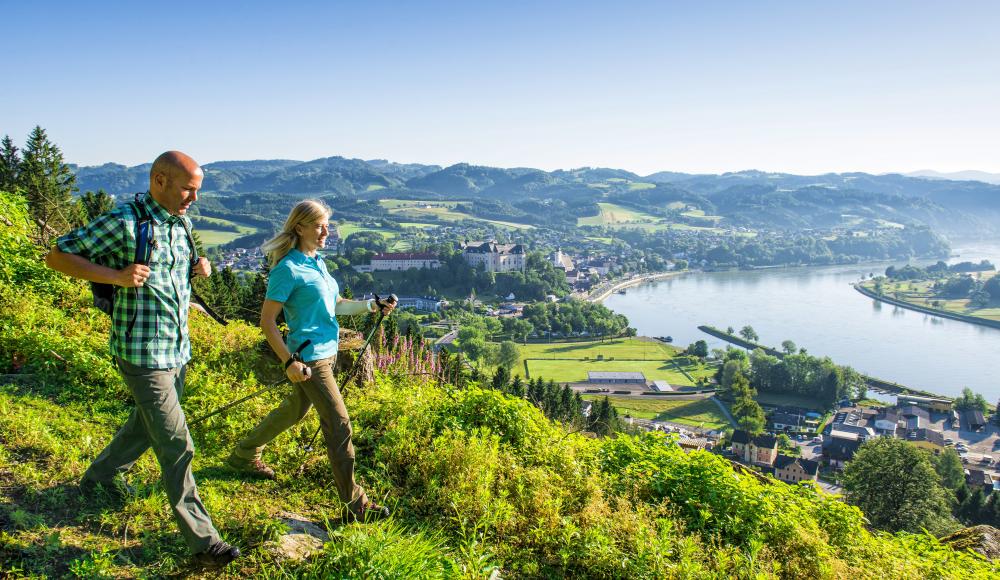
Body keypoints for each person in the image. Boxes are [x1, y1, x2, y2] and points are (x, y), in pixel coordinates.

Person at [45, 151, 240, 568]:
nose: (193, 198)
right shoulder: (124, 221)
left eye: (197, 190)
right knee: (176, 442)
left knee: (143, 425)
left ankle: (97, 478)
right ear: (160, 180)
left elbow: (168, 279)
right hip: (140, 352)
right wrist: (114, 276)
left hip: (177, 349)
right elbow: (58, 255)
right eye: (188, 189)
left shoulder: (180, 224)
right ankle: (204, 541)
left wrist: (196, 268)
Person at [227, 199, 394, 522]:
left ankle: (244, 453)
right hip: (310, 360)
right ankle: (354, 506)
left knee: (295, 410)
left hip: (327, 353)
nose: (326, 232)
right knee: (339, 424)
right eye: (319, 226)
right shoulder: (287, 269)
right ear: (299, 227)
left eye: (327, 225)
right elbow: (267, 321)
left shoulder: (316, 262)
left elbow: (337, 304)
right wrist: (289, 361)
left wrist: (372, 306)